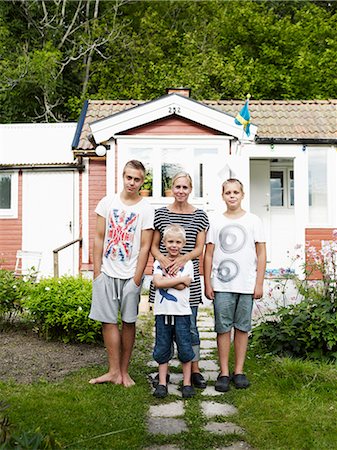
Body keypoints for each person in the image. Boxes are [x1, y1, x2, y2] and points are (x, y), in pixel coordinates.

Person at [89, 160, 154, 387]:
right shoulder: (108, 202)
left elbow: (145, 246)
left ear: (142, 181)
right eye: (129, 178)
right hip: (106, 272)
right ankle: (113, 371)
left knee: (128, 322)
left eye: (137, 179)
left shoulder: (146, 209)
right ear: (123, 177)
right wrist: (97, 272)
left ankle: (124, 372)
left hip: (130, 275)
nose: (132, 183)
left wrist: (137, 278)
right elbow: (98, 237)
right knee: (108, 322)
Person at [203, 178, 266, 391]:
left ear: (242, 194)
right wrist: (207, 282)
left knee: (242, 328)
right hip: (222, 285)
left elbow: (261, 253)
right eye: (228, 192)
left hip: (246, 284)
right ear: (222, 196)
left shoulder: (253, 221)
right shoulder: (215, 221)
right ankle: (224, 372)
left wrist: (259, 283)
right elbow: (208, 254)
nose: (232, 196)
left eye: (235, 192)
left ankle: (239, 370)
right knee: (223, 328)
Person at [150, 171, 209, 389]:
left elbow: (199, 248)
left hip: (187, 277)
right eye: (177, 187)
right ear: (171, 188)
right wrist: (164, 261)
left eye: (185, 187)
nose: (181, 191)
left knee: (190, 326)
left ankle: (195, 370)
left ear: (190, 190)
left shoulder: (200, 216)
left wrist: (182, 258)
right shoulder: (161, 215)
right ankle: (162, 373)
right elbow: (154, 246)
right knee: (164, 329)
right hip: (165, 275)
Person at [152, 224, 195, 399]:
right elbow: (158, 284)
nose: (174, 245)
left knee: (185, 347)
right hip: (163, 312)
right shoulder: (158, 263)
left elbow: (185, 283)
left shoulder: (188, 264)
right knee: (162, 347)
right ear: (164, 242)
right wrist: (178, 281)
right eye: (170, 241)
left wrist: (168, 280)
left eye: (178, 242)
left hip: (182, 314)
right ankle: (162, 383)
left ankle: (187, 383)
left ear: (183, 244)